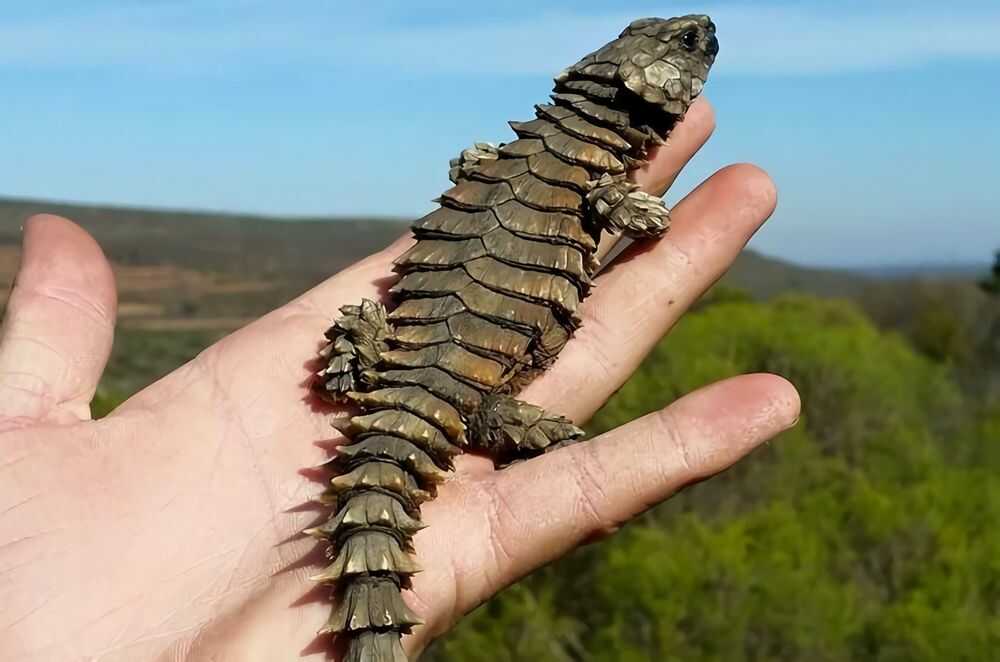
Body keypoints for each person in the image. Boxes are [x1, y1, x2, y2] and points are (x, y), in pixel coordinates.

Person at [0, 99, 800, 661]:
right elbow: (641, 219)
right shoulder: (599, 185)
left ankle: (377, 363)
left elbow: (473, 166)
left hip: (414, 372)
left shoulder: (504, 160)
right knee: (551, 446)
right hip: (462, 397)